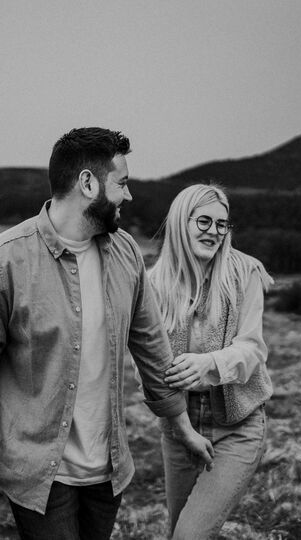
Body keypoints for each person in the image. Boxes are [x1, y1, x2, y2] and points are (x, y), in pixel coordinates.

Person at [0, 128, 213, 540]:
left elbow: (152, 345)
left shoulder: (126, 252)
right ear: (87, 183)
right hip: (40, 475)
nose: (129, 196)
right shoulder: (9, 261)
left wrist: (182, 426)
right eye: (123, 183)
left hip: (109, 472)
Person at [148, 184, 273, 539]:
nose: (214, 232)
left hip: (238, 426)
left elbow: (252, 349)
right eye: (204, 221)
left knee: (189, 536)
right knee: (178, 531)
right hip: (178, 429)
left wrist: (210, 365)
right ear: (180, 222)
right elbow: (148, 368)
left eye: (222, 224)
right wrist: (182, 427)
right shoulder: (153, 285)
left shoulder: (244, 273)